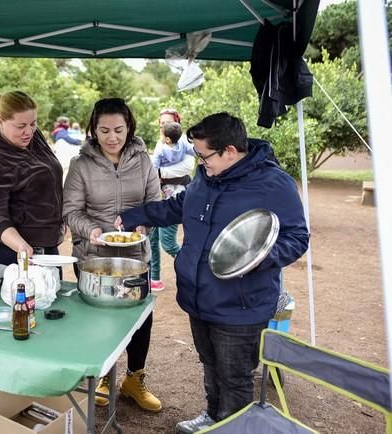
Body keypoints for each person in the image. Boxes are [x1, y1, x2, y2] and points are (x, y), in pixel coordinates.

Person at [116, 112, 309, 433]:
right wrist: (135, 215)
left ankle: (232, 425)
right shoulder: (208, 174)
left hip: (241, 304)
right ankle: (212, 416)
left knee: (235, 377)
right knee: (210, 363)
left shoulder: (275, 184)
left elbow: (297, 237)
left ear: (230, 151)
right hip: (199, 296)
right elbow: (179, 205)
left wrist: (257, 258)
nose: (199, 161)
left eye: (204, 155)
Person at [62, 97, 162, 412]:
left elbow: (155, 203)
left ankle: (134, 379)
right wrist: (91, 229)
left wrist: (144, 226)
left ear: (129, 127)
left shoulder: (144, 161)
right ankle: (102, 376)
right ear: (94, 129)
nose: (112, 137)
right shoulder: (81, 164)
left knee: (140, 319)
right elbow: (71, 210)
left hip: (135, 257)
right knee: (98, 319)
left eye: (118, 129)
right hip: (92, 256)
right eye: (104, 130)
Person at [0, 90, 63, 266]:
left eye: (33, 124)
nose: (28, 131)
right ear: (0, 122)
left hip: (42, 239)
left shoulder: (31, 136)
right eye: (20, 126)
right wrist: (20, 245)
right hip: (3, 244)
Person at [149, 108, 196, 292]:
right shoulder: (162, 143)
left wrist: (159, 173)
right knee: (152, 238)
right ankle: (154, 278)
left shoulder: (183, 142)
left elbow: (186, 167)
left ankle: (193, 268)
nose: (163, 127)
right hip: (157, 195)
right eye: (161, 124)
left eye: (167, 123)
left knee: (167, 242)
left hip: (175, 196)